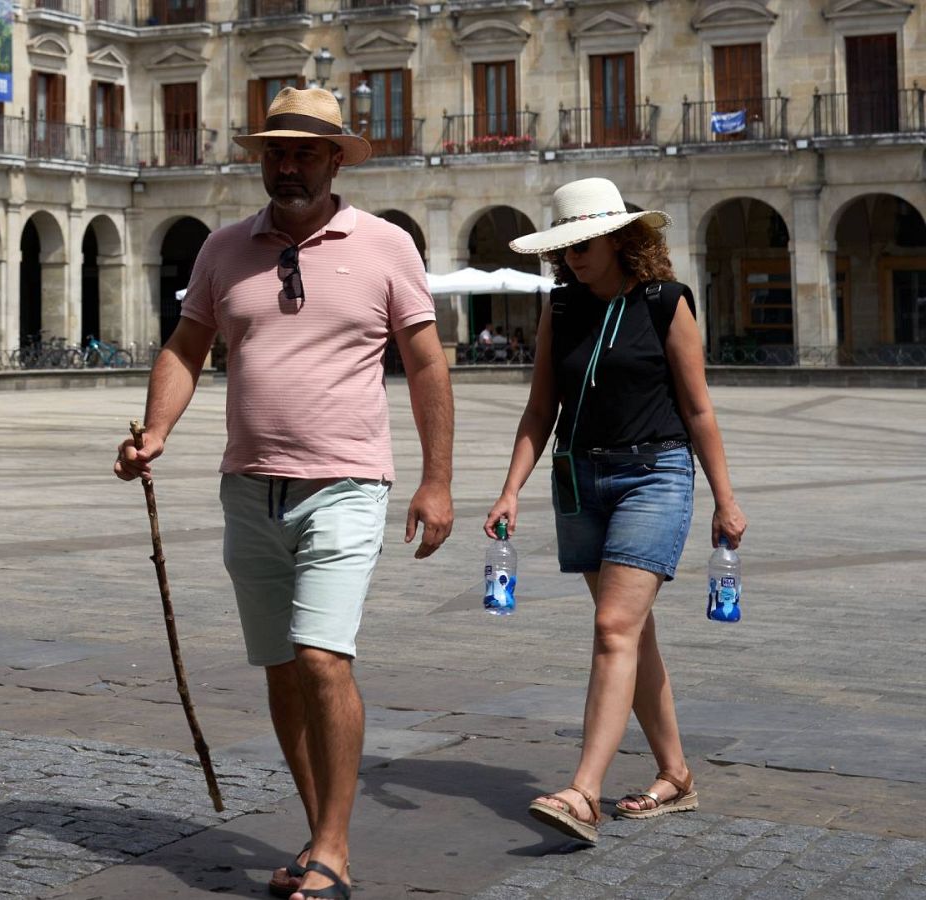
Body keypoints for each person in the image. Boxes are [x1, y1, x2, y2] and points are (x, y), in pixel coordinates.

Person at [114, 87, 454, 900]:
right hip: (248, 488)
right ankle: (319, 833)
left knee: (320, 659)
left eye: (304, 151)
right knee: (279, 670)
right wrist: (157, 430)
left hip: (345, 484)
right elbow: (187, 344)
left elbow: (428, 363)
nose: (287, 165)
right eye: (275, 151)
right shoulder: (224, 249)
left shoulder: (384, 246)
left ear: (337, 158)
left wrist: (438, 481)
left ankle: (332, 848)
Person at [482, 177, 747, 843]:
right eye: (565, 244)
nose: (572, 255)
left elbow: (697, 409)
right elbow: (541, 408)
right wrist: (510, 487)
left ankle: (584, 791)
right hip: (580, 480)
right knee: (632, 633)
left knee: (612, 626)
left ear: (620, 239)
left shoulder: (664, 303)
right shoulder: (561, 306)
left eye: (585, 242)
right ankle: (677, 774)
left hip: (653, 474)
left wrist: (725, 497)